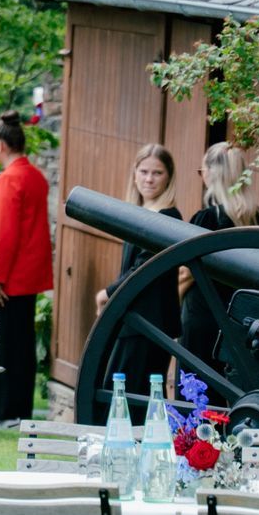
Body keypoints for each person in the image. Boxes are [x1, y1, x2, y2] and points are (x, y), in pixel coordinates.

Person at [0, 111, 53, 425]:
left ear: (0, 144)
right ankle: (19, 410)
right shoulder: (34, 176)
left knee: (3, 346)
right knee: (21, 346)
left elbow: (5, 235)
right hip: (27, 277)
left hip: (8, 280)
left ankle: (4, 411)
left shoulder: (10, 179)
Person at [94, 144, 182, 399]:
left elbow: (143, 265)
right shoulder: (138, 213)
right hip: (132, 316)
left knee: (129, 392)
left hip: (149, 320)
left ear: (169, 177)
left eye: (157, 173)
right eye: (144, 171)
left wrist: (107, 293)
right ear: (134, 173)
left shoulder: (168, 216)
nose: (149, 179)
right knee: (122, 388)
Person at [179, 142, 259, 367]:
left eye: (202, 172)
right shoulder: (258, 222)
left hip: (202, 315)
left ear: (211, 174)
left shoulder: (207, 219)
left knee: (196, 393)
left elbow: (185, 273)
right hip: (241, 319)